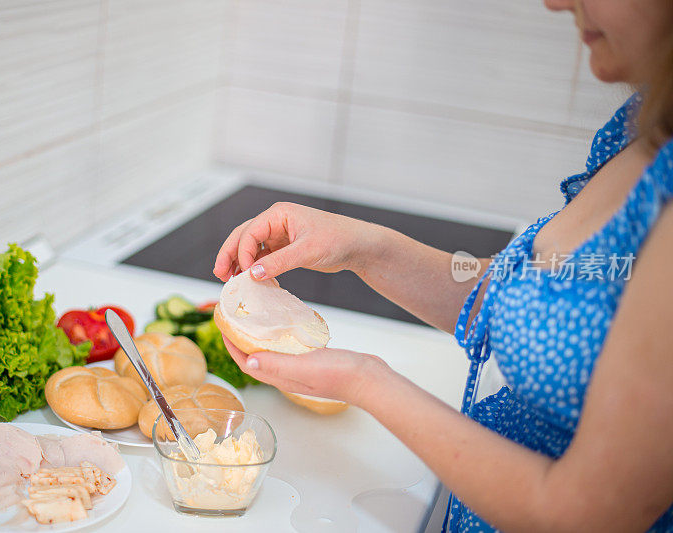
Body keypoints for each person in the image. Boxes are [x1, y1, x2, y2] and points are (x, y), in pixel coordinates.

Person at [212, 0, 673, 531]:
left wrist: (366, 382)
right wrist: (363, 247)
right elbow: (529, 294)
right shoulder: (638, 135)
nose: (555, 1)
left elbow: (583, 512)